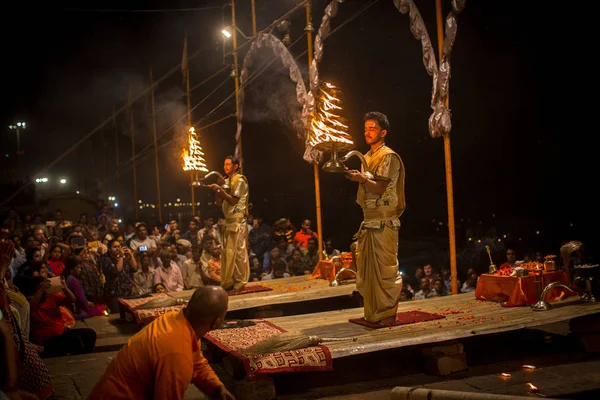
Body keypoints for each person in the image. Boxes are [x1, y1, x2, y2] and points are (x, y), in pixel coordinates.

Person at [89, 286, 234, 400]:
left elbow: (197, 362)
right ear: (217, 322)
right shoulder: (176, 352)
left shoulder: (179, 320)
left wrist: (216, 387)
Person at [343, 111, 405, 325]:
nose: (367, 132)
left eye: (373, 128)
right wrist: (356, 177)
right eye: (366, 128)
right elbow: (367, 185)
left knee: (385, 270)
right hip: (368, 221)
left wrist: (360, 179)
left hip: (384, 221)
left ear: (383, 132)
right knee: (368, 271)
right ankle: (373, 312)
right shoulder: (366, 157)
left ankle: (386, 313)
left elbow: (379, 188)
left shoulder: (387, 156)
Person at [208, 156, 250, 291]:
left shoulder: (240, 180)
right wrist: (217, 190)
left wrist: (220, 190)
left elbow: (233, 201)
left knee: (238, 253)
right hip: (228, 222)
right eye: (224, 164)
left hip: (237, 221)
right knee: (227, 253)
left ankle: (240, 282)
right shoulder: (225, 181)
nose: (225, 167)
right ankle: (229, 282)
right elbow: (219, 202)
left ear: (236, 166)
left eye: (228, 164)